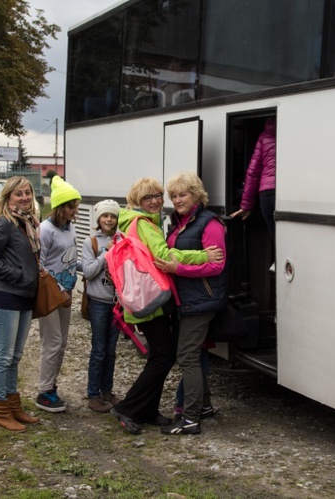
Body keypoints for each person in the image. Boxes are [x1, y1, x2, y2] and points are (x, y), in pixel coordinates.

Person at [109, 177, 224, 435]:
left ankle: (147, 410)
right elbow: (163, 256)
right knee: (163, 356)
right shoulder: (144, 225)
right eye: (148, 197)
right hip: (151, 299)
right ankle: (129, 408)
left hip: (145, 297)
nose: (155, 201)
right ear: (137, 201)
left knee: (163, 355)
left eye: (158, 196)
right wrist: (203, 255)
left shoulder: (135, 222)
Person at [155, 172, 227, 435]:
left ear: (196, 195)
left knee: (186, 356)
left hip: (202, 300)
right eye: (173, 196)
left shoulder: (210, 224)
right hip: (186, 299)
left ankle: (190, 418)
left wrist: (178, 268)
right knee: (196, 353)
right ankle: (204, 407)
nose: (177, 200)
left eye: (182, 194)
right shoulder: (179, 222)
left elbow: (216, 265)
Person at [0, 176, 41, 433]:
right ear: (8, 197)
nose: (25, 198)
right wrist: (17, 275)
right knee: (3, 357)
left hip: (25, 296)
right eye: (19, 194)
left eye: (27, 193)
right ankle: (0, 411)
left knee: (15, 356)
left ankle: (14, 406)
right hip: (6, 296)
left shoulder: (26, 223)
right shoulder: (4, 223)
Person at [35, 176, 82, 413]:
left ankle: (52, 386)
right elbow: (39, 264)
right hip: (50, 295)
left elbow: (70, 260)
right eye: (72, 206)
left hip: (66, 293)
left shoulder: (70, 228)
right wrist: (57, 290)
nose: (76, 210)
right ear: (61, 206)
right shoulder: (45, 230)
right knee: (51, 342)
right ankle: (43, 392)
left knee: (62, 343)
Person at [81, 199, 122, 413]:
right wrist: (106, 252)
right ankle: (93, 394)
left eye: (113, 216)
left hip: (117, 303)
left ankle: (107, 390)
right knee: (98, 350)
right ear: (99, 219)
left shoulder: (122, 239)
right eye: (105, 216)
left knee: (111, 350)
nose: (109, 219)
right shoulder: (92, 242)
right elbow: (87, 272)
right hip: (98, 302)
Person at [231, 117, 277, 240]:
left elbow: (253, 173)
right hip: (287, 192)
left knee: (278, 240)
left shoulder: (264, 137)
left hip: (267, 193)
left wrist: (247, 205)